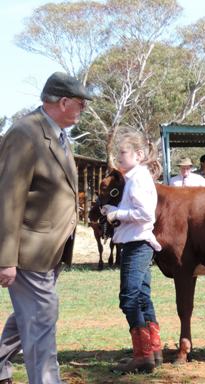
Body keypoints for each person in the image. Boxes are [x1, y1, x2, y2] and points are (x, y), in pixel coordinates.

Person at [0, 72, 91, 384]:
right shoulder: (25, 134)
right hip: (28, 251)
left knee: (30, 314)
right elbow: (8, 199)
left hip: (50, 250)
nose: (83, 110)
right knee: (41, 316)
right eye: (81, 104)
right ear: (63, 102)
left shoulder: (58, 136)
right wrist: (6, 259)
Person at [100, 127, 164, 374]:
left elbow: (145, 213)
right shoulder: (135, 177)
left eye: (123, 152)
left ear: (138, 154)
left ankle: (143, 355)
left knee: (129, 299)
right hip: (139, 243)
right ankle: (153, 351)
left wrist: (118, 214)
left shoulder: (137, 178)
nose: (119, 157)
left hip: (137, 244)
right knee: (142, 297)